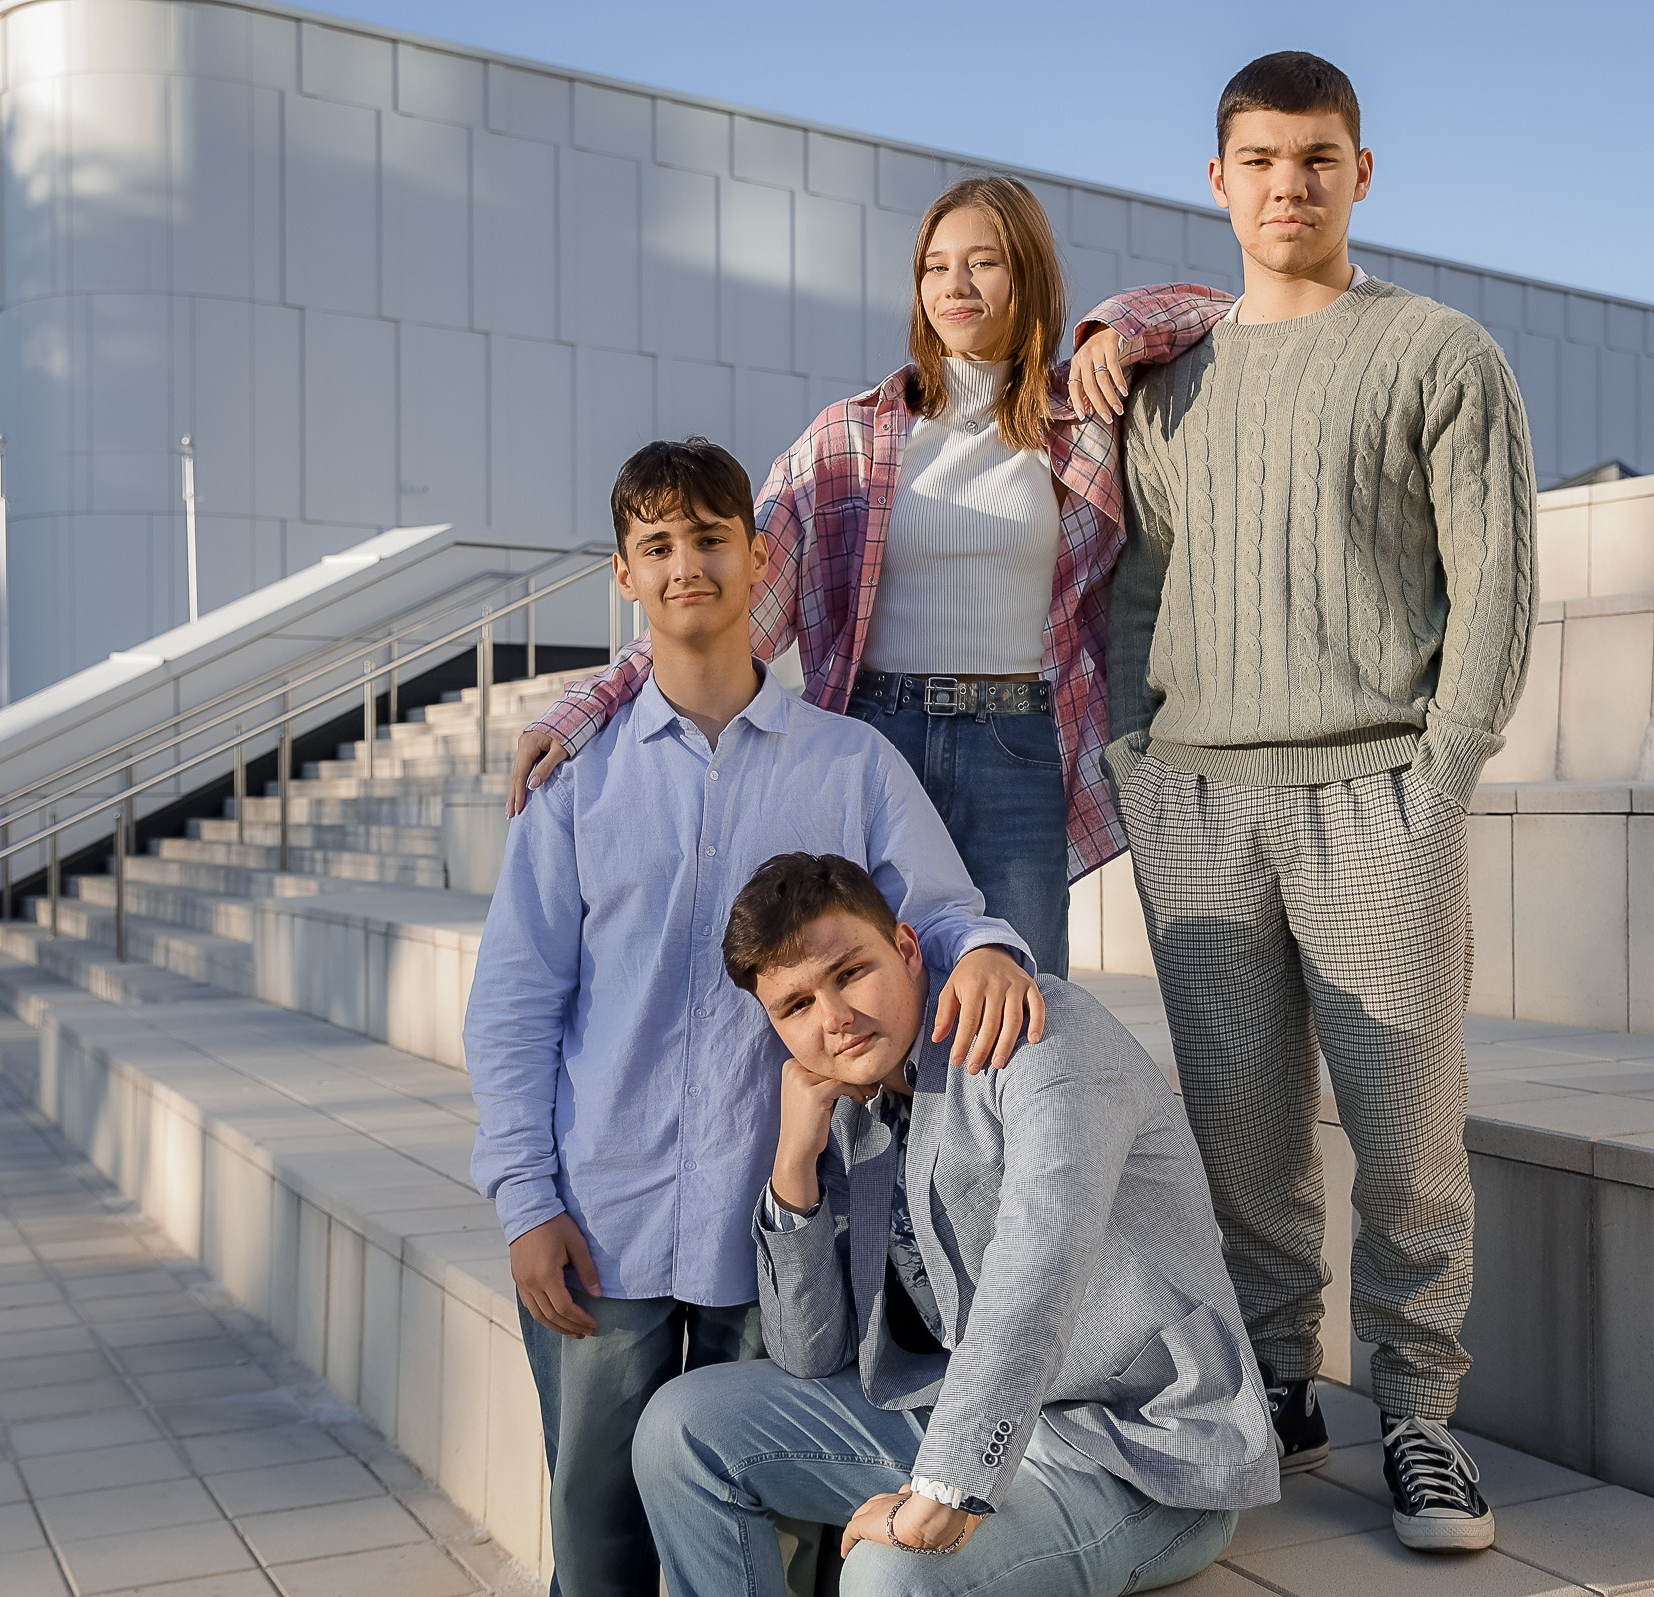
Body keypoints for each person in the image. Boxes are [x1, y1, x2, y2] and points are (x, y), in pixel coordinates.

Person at [462, 438, 1047, 1596]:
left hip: (777, 1232)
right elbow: (515, 1003)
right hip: (605, 1218)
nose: (687, 564)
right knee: (597, 1538)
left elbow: (939, 913)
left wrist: (986, 949)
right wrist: (525, 1197)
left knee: (767, 1543)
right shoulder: (576, 781)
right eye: (657, 545)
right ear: (624, 574)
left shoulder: (851, 763)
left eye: (710, 538)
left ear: (759, 557)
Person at [1087, 51, 1536, 1552]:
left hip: (1374, 795)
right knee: (1242, 1132)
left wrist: (1441, 773)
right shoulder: (1170, 381)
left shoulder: (1440, 353)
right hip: (1200, 802)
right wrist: (1138, 762)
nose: (1291, 185)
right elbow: (1137, 586)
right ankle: (1276, 1383)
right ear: (1218, 182)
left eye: (1319, 159)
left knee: (1408, 1131)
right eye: (1263, 160)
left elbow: (1494, 588)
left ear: (1361, 173)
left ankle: (1418, 1412)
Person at [506, 176, 1222, 978]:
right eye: (935, 266)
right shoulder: (849, 437)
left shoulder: (1081, 418)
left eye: (983, 262)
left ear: (1028, 275)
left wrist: (1113, 331)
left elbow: (1217, 311)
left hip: (1015, 746)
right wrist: (588, 706)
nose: (954, 285)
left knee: (1020, 992)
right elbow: (733, 603)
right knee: (867, 989)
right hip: (878, 736)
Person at [634, 853, 1278, 1594]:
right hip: (954, 1406)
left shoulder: (1041, 1036)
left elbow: (1040, 1263)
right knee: (680, 1430)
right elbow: (809, 1354)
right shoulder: (853, 1096)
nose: (834, 1018)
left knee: (890, 1577)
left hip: (1135, 1449)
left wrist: (945, 1488)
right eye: (796, 1006)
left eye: (850, 972)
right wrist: (793, 1166)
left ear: (907, 947)